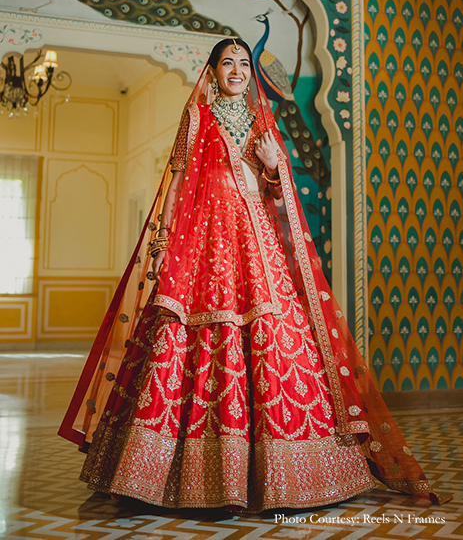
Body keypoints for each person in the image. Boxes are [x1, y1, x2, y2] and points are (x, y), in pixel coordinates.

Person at [59, 38, 447, 511]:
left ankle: (287, 475)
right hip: (202, 241)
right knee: (182, 335)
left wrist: (271, 164)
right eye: (229, 63)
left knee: (276, 335)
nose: (238, 70)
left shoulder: (266, 123)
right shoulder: (198, 118)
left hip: (257, 244)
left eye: (245, 63)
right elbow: (176, 183)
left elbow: (280, 197)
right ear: (214, 71)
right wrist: (163, 246)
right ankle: (160, 472)